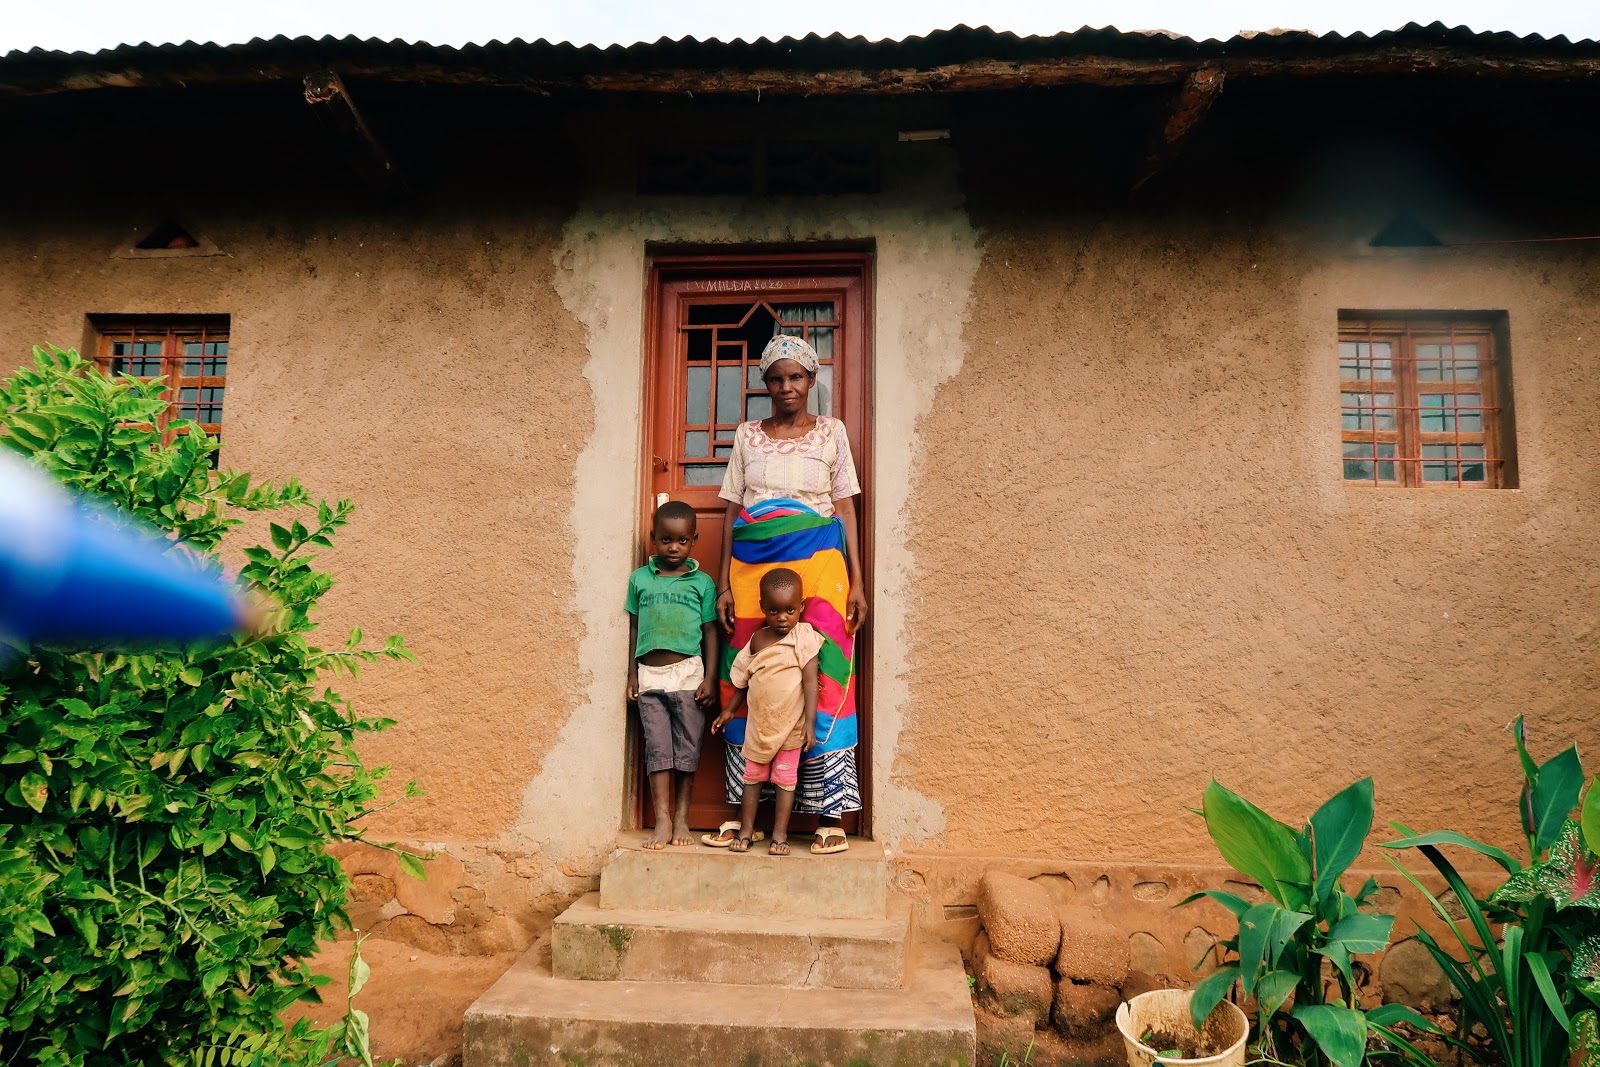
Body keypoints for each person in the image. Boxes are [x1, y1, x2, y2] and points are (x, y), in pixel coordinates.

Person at [701, 333, 866, 856]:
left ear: (812, 381)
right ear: (765, 384)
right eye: (776, 378)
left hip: (820, 566)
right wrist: (726, 581)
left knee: (829, 673)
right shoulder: (748, 435)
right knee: (747, 676)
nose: (786, 387)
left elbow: (845, 507)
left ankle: (830, 813)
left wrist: (857, 581)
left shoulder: (832, 433)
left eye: (796, 377)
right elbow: (731, 507)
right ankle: (742, 813)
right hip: (753, 571)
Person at [625, 501, 720, 850]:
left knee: (686, 749)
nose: (673, 548)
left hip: (689, 675)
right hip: (650, 675)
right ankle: (662, 817)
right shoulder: (640, 579)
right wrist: (633, 675)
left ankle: (682, 816)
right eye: (665, 540)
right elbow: (634, 627)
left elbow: (711, 631)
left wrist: (709, 677)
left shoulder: (703, 582)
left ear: (693, 540)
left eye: (681, 541)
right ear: (653, 539)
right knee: (658, 749)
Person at [711, 568, 823, 856]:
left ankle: (780, 835)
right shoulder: (757, 641)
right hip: (760, 727)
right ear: (762, 608)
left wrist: (810, 723)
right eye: (774, 611)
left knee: (786, 781)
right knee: (753, 777)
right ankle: (746, 830)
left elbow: (811, 682)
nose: (782, 618)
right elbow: (741, 681)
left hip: (790, 728)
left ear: (801, 607)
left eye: (789, 610)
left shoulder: (803, 638)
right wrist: (728, 711)